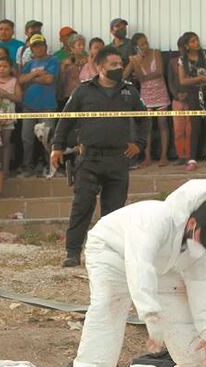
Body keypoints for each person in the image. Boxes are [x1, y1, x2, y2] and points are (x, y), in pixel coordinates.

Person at [70, 179, 206, 367]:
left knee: (177, 300)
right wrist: (150, 316)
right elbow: (139, 265)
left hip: (162, 262)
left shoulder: (204, 241)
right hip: (111, 250)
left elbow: (202, 279)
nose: (203, 248)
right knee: (110, 303)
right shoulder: (155, 220)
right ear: (192, 225)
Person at [51, 46, 147, 267]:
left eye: (120, 64)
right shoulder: (83, 91)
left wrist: (139, 145)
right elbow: (66, 120)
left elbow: (144, 119)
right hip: (89, 159)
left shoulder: (129, 91)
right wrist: (57, 147)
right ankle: (73, 252)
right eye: (113, 64)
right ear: (100, 66)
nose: (118, 68)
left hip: (118, 159)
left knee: (114, 212)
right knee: (82, 206)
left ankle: (108, 256)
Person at [124, 32, 170, 167]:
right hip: (146, 95)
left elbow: (160, 71)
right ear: (136, 47)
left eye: (146, 42)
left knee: (163, 124)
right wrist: (136, 63)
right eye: (142, 44)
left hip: (160, 92)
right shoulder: (134, 59)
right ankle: (147, 157)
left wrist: (143, 76)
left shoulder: (156, 53)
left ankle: (164, 156)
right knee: (147, 127)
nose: (145, 46)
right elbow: (128, 76)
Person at [174, 32, 206, 170]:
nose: (196, 43)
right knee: (195, 125)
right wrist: (199, 79)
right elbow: (183, 80)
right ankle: (192, 158)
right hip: (193, 93)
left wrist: (200, 79)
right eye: (193, 41)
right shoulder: (182, 60)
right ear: (187, 45)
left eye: (197, 40)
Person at [19, 34, 60, 177]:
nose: (38, 48)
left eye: (40, 45)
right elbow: (20, 80)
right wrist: (36, 74)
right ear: (31, 48)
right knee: (26, 138)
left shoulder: (53, 60)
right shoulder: (29, 65)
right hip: (29, 105)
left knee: (48, 138)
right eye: (35, 46)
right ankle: (27, 167)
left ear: (46, 46)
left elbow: (49, 79)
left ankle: (52, 167)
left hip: (47, 105)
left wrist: (30, 79)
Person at [0, 57, 20, 178]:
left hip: (7, 115)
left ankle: (5, 170)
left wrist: (6, 94)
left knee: (6, 143)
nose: (2, 69)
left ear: (10, 68)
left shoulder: (14, 81)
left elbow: (19, 98)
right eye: (0, 66)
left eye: (5, 66)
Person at [59, 34, 88, 106]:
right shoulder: (66, 62)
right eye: (79, 45)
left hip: (85, 95)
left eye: (83, 45)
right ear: (72, 47)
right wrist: (64, 67)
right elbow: (61, 80)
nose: (82, 47)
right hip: (70, 95)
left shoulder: (88, 59)